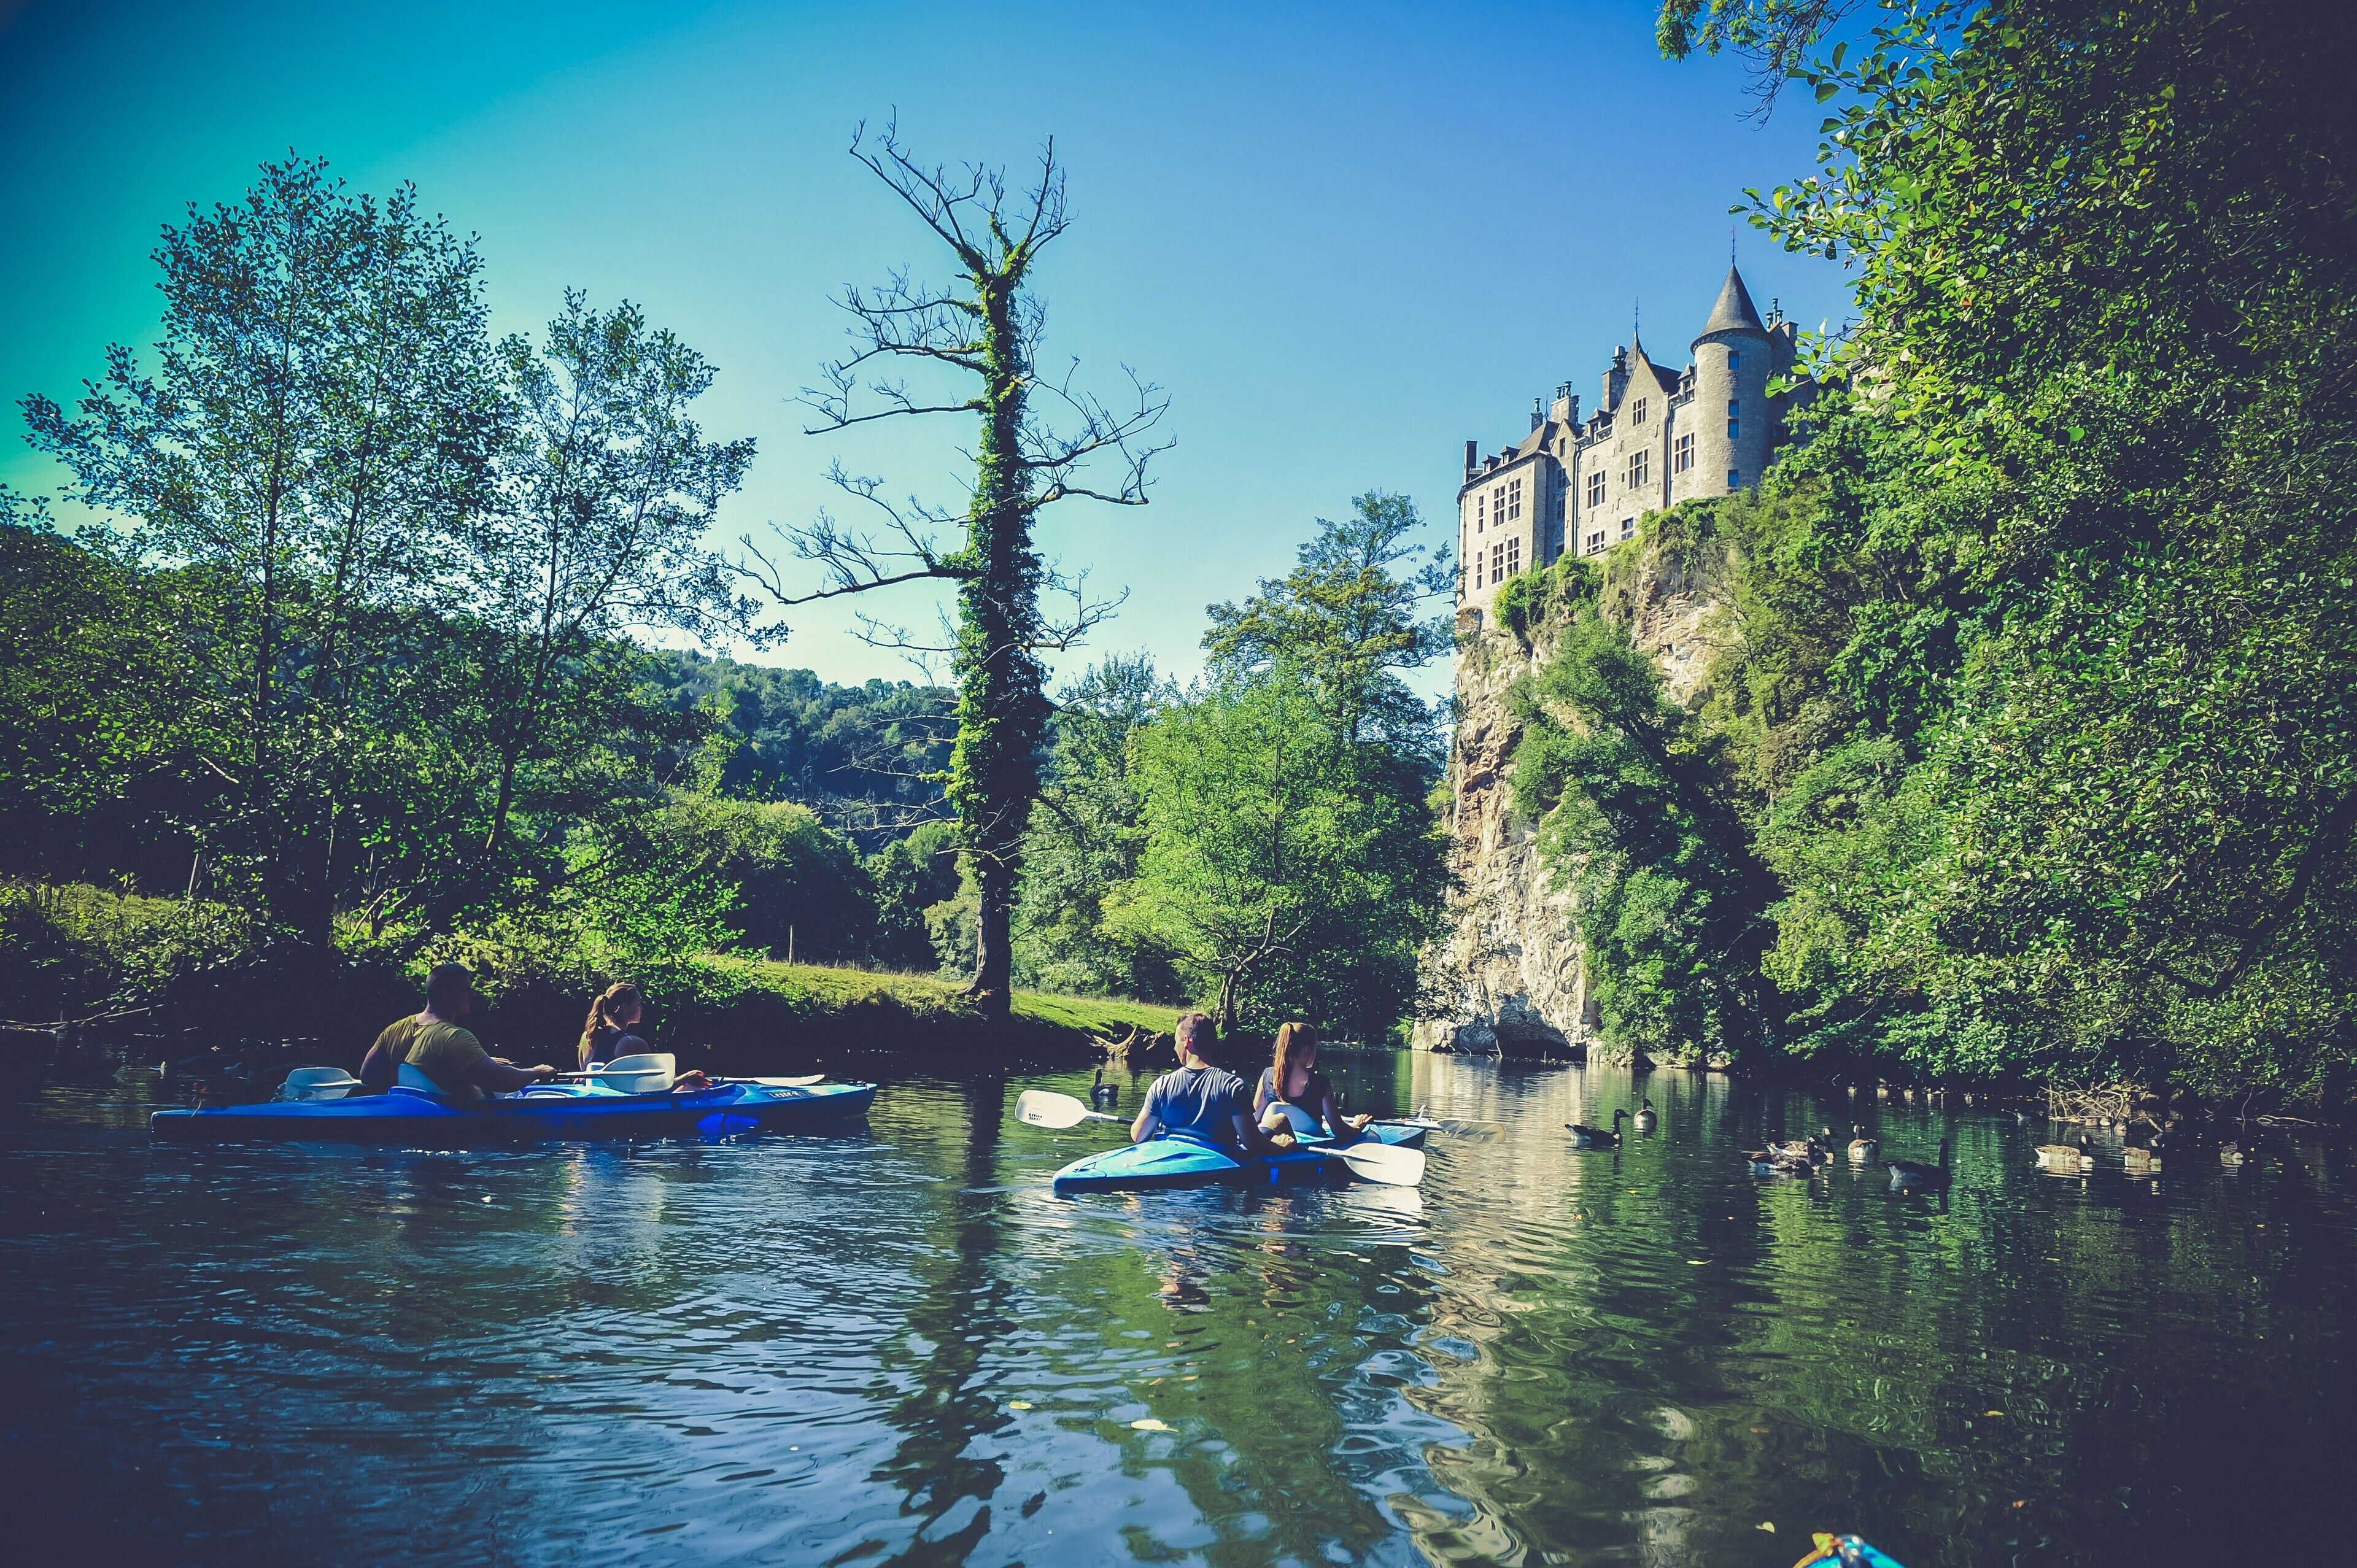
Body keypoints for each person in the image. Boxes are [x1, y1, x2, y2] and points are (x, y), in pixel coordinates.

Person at [357, 963, 559, 1099]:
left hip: (417, 1120)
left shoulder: (394, 1030)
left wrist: (454, 1068)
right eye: (466, 990)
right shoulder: (455, 1037)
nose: (472, 995)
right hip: (462, 1131)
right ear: (446, 995)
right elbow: (505, 1081)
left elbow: (368, 1075)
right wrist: (537, 1071)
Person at [1131, 1013, 1253, 1148]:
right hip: (1216, 1164)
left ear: (1186, 1041)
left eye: (1176, 1041)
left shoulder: (1161, 1086)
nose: (1174, 1048)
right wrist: (1280, 1145)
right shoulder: (1234, 1087)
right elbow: (1253, 1143)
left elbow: (1138, 1135)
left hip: (1171, 1161)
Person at [1252, 1022, 1372, 1149]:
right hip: (1309, 1143)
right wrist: (1357, 1126)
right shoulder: (1321, 1084)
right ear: (1308, 1050)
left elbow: (1254, 1119)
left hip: (1274, 1136)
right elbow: (1339, 1130)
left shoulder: (1267, 1076)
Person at [579, 982, 652, 1070]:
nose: (642, 1008)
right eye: (639, 1003)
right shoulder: (634, 1043)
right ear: (625, 1007)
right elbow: (651, 1080)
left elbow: (585, 1078)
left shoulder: (588, 1037)